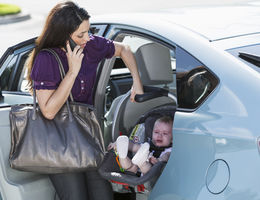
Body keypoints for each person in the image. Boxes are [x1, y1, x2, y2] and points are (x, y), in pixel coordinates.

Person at [26, 1, 143, 200]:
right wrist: (72, 71)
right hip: (58, 142)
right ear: (62, 35)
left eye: (88, 31)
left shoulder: (91, 45)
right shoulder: (46, 59)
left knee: (103, 194)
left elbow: (124, 50)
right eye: (80, 35)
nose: (86, 38)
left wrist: (136, 83)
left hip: (87, 135)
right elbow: (48, 111)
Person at [108, 116, 173, 174]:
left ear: (172, 139)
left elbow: (165, 157)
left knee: (148, 168)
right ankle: (122, 155)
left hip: (152, 174)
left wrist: (158, 161)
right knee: (132, 164)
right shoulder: (148, 144)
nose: (159, 135)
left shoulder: (169, 151)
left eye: (165, 133)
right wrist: (117, 143)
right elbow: (134, 146)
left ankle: (142, 162)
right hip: (136, 170)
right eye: (156, 132)